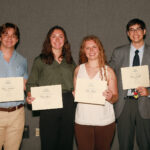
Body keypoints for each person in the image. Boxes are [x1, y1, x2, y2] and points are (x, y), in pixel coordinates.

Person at [26, 25, 76, 150]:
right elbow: (31, 83)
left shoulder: (70, 61)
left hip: (68, 103)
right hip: (48, 102)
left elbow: (77, 80)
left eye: (61, 36)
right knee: (49, 141)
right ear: (49, 39)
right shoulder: (40, 60)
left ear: (65, 40)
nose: (57, 39)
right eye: (54, 36)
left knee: (66, 140)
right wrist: (29, 95)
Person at [109, 18, 150, 150]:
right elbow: (108, 72)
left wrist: (149, 92)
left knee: (146, 144)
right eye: (131, 30)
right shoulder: (118, 52)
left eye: (138, 29)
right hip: (124, 103)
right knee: (125, 145)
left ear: (144, 31)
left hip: (146, 104)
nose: (135, 32)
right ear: (128, 33)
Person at [73, 35, 118, 150]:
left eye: (94, 47)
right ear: (83, 51)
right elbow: (77, 92)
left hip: (104, 121)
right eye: (87, 48)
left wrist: (110, 97)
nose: (91, 50)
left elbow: (115, 97)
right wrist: (76, 94)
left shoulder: (108, 71)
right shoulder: (78, 70)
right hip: (82, 120)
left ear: (100, 49)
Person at [0, 23, 28, 150]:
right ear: (0, 37)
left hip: (17, 114)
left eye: (13, 36)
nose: (9, 38)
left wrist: (25, 85)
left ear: (17, 40)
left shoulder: (22, 60)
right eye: (6, 34)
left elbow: (25, 82)